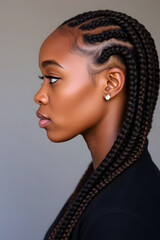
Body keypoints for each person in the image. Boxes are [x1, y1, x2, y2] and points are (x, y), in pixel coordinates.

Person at [34, 9, 160, 240]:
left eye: (53, 78)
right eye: (41, 79)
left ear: (111, 83)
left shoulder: (118, 220)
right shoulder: (110, 179)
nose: (39, 96)